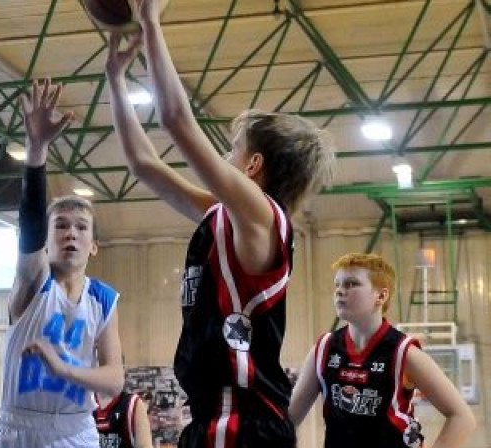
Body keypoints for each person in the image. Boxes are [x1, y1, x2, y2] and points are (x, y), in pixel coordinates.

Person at [104, 4, 334, 446]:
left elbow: (176, 121)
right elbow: (142, 164)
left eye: (231, 148)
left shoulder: (262, 216)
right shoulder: (225, 215)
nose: (223, 157)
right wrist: (115, 79)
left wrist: (152, 23)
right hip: (213, 416)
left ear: (253, 165)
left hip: (243, 420)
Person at [0, 79, 124, 448]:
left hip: (76, 428)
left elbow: (114, 381)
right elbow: (30, 222)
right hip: (21, 426)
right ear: (45, 244)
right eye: (61, 226)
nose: (71, 234)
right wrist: (36, 151)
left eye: (81, 228)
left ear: (94, 245)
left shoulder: (103, 298)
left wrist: (63, 368)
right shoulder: (33, 283)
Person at [289, 253, 476, 448]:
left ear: (381, 295)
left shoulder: (405, 353)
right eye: (338, 284)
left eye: (351, 284)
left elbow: (463, 417)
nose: (340, 291)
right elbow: (288, 421)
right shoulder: (323, 349)